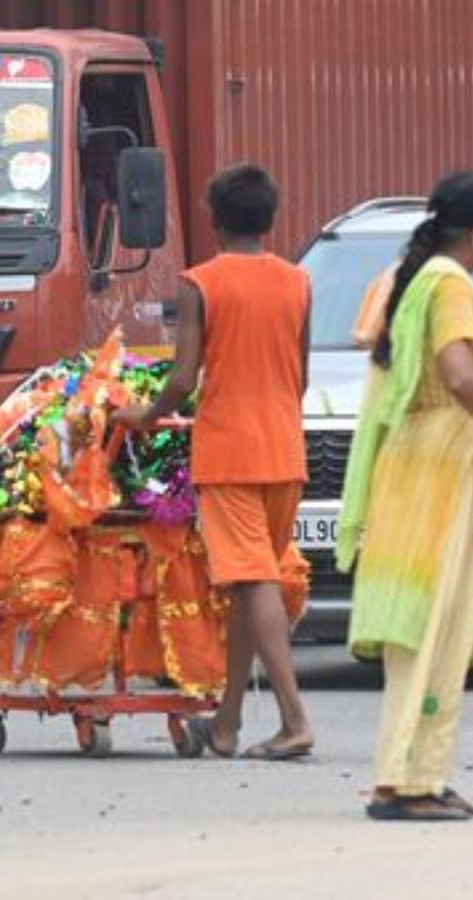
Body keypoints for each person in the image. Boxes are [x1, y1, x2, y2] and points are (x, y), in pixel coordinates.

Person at [337, 171, 473, 821]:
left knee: (424, 635)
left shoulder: (421, 279)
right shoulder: (451, 285)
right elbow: (461, 377)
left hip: (419, 475)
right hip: (443, 480)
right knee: (437, 630)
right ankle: (406, 783)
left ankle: (414, 775)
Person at [115, 164, 315, 761]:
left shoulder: (200, 282)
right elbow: (298, 375)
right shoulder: (297, 281)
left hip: (228, 452)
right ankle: (225, 723)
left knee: (255, 582)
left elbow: (181, 378)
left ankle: (294, 719)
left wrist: (143, 415)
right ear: (271, 218)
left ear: (215, 220)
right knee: (248, 589)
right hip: (285, 449)